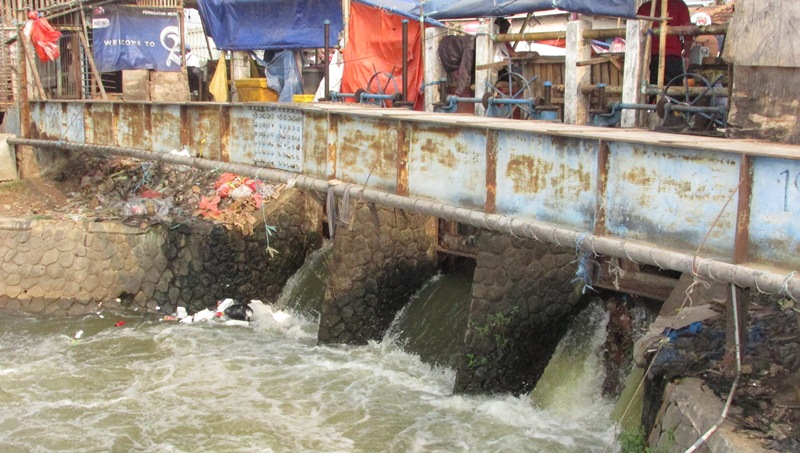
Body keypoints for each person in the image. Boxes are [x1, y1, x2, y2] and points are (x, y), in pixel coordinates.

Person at [637, 0, 692, 86]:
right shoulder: (679, 5)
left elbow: (636, 33)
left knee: (652, 91)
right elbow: (688, 32)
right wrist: (687, 54)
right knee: (673, 93)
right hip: (672, 58)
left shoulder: (645, 8)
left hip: (650, 57)